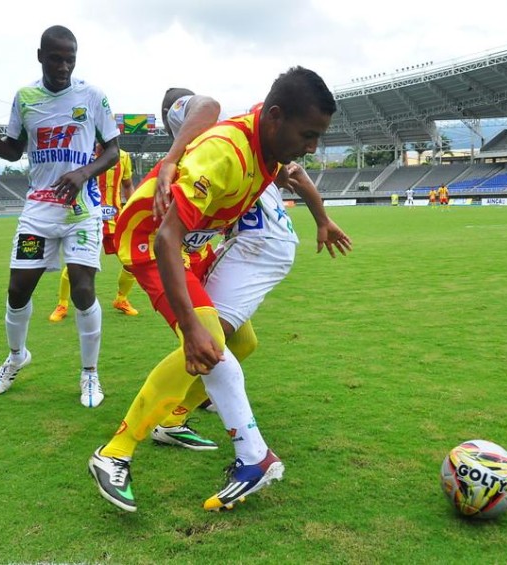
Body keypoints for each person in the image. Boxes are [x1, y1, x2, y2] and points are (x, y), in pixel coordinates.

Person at [88, 66, 343, 513]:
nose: (312, 147)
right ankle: (116, 452)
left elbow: (205, 105)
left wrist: (322, 218)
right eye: (308, 134)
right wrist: (190, 326)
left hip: (192, 242)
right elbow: (166, 236)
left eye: (317, 136)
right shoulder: (224, 154)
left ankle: (173, 418)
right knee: (208, 339)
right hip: (153, 238)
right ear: (276, 116)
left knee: (242, 341)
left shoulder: (271, 146)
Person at [150, 89, 351, 455]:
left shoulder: (222, 141)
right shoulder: (253, 146)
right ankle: (174, 417)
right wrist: (323, 221)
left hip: (255, 246)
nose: (308, 146)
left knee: (210, 341)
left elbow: (202, 104)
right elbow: (298, 175)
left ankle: (162, 422)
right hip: (266, 246)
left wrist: (170, 158)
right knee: (233, 343)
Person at [0, 25, 121, 408]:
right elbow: (15, 150)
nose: (64, 66)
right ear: (41, 57)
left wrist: (84, 172)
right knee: (18, 290)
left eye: (70, 58)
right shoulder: (25, 98)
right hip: (38, 210)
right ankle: (17, 356)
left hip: (80, 211)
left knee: (84, 291)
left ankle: (89, 374)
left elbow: (113, 151)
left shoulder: (93, 96)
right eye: (56, 58)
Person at [49, 146, 139, 322]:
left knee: (132, 262)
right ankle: (62, 304)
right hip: (88, 218)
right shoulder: (84, 154)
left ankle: (121, 299)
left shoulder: (123, 156)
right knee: (77, 264)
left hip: (115, 220)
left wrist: (133, 208)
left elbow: (127, 185)